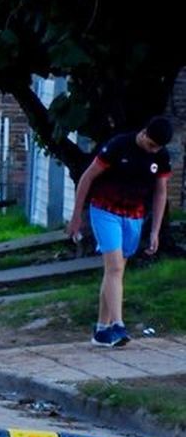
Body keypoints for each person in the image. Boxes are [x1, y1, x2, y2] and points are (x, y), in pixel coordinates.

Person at [66, 115, 174, 347]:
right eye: (150, 144)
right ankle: (118, 325)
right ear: (144, 133)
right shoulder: (119, 145)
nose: (152, 150)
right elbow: (87, 177)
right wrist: (76, 216)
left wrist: (155, 230)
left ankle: (102, 330)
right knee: (114, 266)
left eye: (157, 147)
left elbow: (161, 192)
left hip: (134, 215)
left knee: (115, 271)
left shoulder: (160, 157)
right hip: (105, 210)